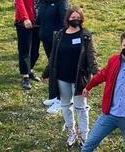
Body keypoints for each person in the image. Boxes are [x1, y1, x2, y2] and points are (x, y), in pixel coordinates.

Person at [46, 8, 99, 147]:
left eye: (78, 17)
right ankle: (72, 132)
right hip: (62, 77)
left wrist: (97, 73)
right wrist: (46, 72)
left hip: (79, 79)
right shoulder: (59, 35)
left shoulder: (85, 35)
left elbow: (91, 56)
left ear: (81, 19)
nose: (75, 19)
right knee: (65, 106)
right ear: (67, 19)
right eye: (73, 17)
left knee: (81, 107)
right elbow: (53, 56)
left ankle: (84, 135)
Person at [37, 0, 69, 112]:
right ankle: (54, 95)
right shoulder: (42, 0)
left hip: (57, 39)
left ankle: (62, 99)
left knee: (58, 68)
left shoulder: (62, 1)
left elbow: (64, 20)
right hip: (46, 38)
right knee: (52, 67)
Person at [13, 0, 42, 90]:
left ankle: (30, 69)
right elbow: (19, 2)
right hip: (24, 22)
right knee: (25, 49)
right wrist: (25, 18)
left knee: (35, 49)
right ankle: (25, 75)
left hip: (36, 21)